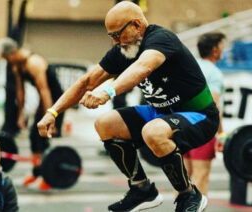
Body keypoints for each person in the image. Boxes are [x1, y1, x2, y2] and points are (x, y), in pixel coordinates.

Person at [37, 2, 219, 212]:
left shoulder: (161, 39)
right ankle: (142, 189)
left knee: (152, 131)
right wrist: (53, 111)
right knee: (105, 123)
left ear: (136, 25)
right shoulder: (122, 50)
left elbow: (144, 67)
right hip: (160, 113)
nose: (114, 42)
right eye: (110, 37)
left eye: (117, 35)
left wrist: (108, 91)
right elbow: (86, 82)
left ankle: (189, 194)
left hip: (198, 115)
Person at [0, 38, 65, 190]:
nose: (6, 61)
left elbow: (45, 90)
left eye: (6, 58)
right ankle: (36, 172)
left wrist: (51, 116)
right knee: (34, 135)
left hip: (57, 100)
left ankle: (48, 177)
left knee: (44, 137)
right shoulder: (16, 66)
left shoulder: (34, 63)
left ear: (13, 52)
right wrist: (21, 115)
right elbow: (21, 92)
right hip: (45, 99)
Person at [183, 32, 226, 196]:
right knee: (201, 177)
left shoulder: (190, 67)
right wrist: (221, 133)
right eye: (222, 46)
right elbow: (213, 105)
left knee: (183, 179)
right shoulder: (214, 73)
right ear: (215, 50)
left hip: (181, 125)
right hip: (202, 128)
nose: (224, 50)